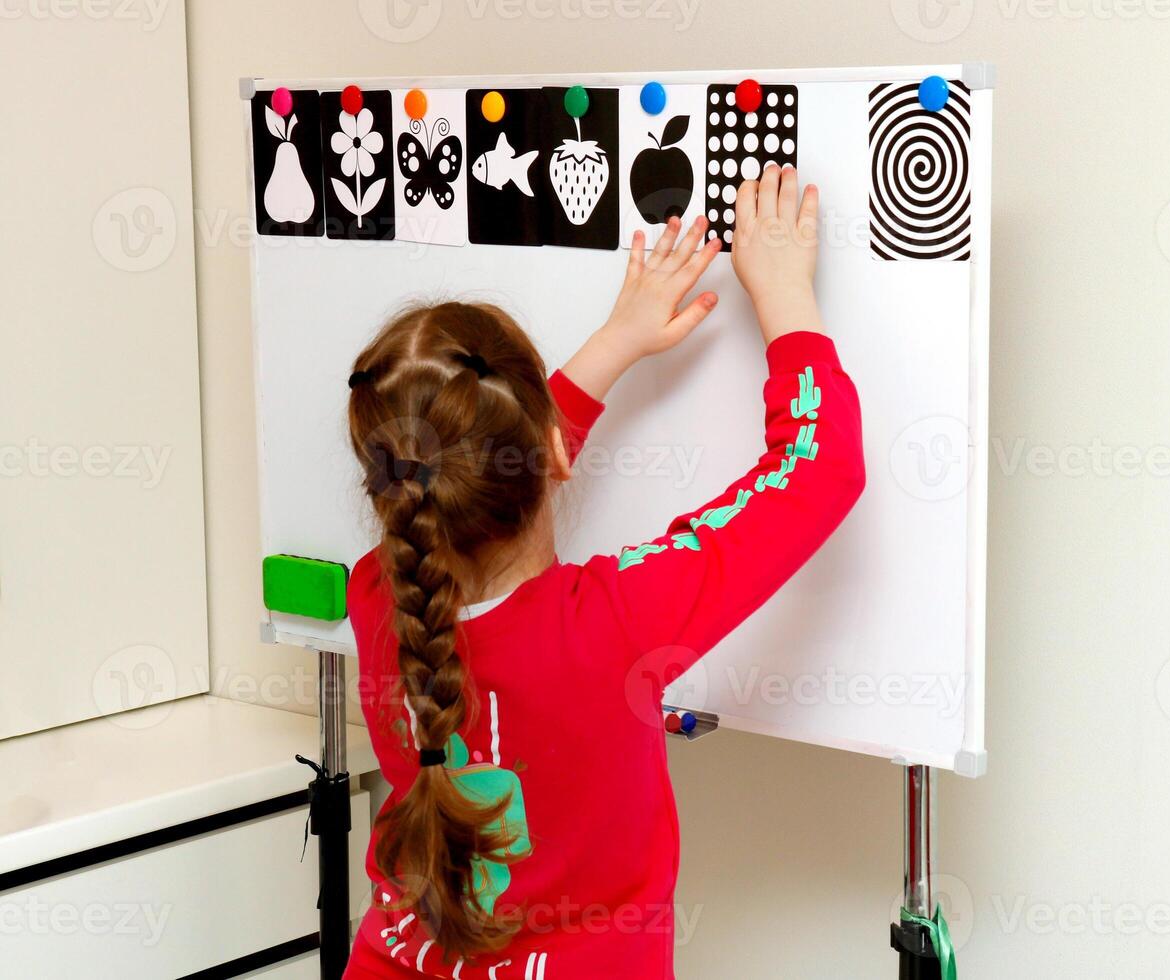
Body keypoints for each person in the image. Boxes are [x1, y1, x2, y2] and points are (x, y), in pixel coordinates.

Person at [342, 165, 864, 979]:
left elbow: (463, 465)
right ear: (550, 449)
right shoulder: (617, 624)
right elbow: (816, 469)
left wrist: (614, 342)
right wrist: (785, 297)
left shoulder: (376, 591)